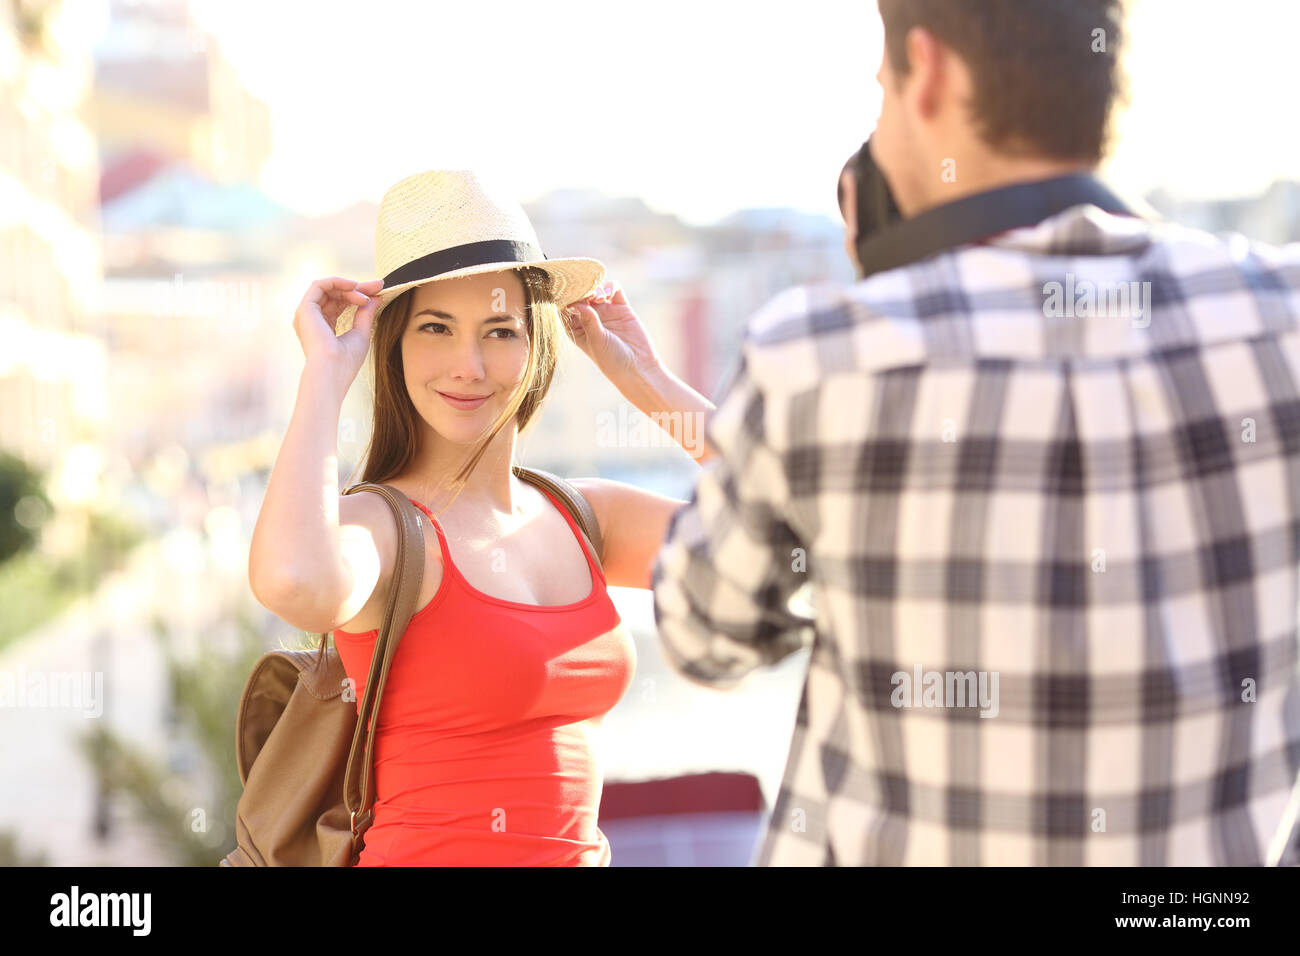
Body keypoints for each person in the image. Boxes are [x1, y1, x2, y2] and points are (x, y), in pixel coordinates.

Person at [650, 0, 1300, 866]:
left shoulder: (823, 353)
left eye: (884, 89)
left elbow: (704, 636)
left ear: (933, 74)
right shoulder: (1282, 321)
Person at [248, 169, 715, 865]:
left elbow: (792, 536)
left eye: (500, 330)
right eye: (435, 328)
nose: (468, 365)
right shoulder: (383, 527)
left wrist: (645, 378)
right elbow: (293, 583)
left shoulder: (585, 518)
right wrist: (325, 372)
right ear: (395, 344)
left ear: (535, 348)